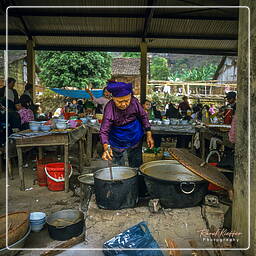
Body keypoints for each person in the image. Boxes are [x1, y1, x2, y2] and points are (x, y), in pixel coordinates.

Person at [100, 81, 154, 168]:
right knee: (117, 165)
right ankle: (119, 180)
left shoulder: (134, 102)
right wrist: (106, 147)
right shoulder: (109, 108)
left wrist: (149, 134)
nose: (124, 104)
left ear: (131, 97)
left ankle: (136, 179)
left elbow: (143, 116)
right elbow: (104, 130)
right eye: (119, 101)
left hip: (134, 134)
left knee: (136, 164)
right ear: (113, 98)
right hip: (117, 137)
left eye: (127, 100)